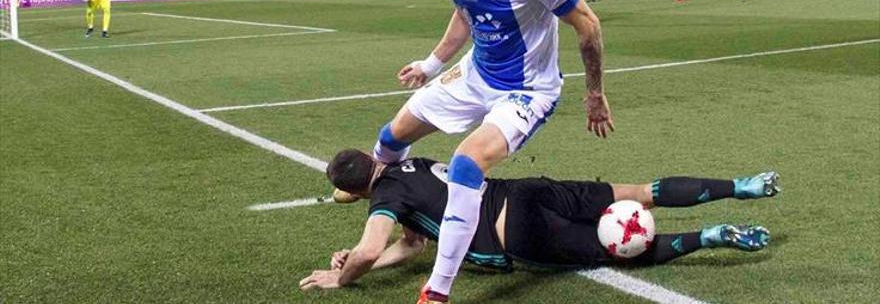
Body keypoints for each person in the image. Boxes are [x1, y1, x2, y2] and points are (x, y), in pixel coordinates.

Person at [360, 0, 613, 304]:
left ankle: (437, 291)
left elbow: (587, 24)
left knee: (464, 164)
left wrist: (595, 93)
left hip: (526, 90)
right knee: (390, 137)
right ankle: (400, 224)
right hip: (475, 75)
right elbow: (464, 13)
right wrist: (431, 64)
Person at [300, 150, 778, 293]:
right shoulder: (416, 166)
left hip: (518, 234)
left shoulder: (386, 195)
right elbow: (413, 245)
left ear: (362, 188)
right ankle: (741, 184)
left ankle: (712, 236)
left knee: (622, 244)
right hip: (525, 190)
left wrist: (342, 277)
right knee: (638, 193)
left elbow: (369, 249)